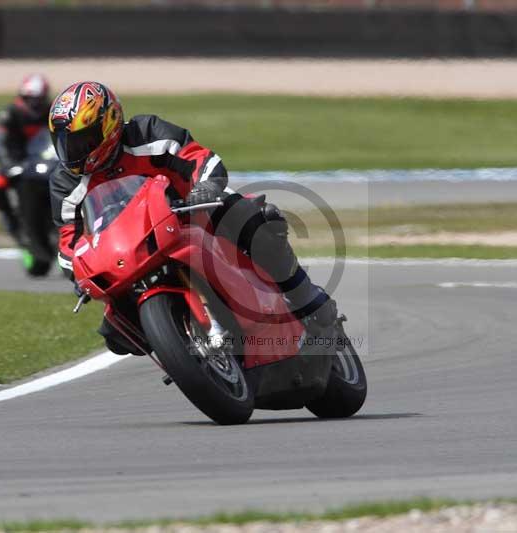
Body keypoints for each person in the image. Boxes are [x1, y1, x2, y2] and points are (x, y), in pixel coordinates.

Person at [47, 81, 337, 355]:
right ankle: (183, 349)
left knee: (257, 220)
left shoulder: (146, 132)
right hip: (126, 250)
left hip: (188, 212)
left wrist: (205, 188)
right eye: (65, 143)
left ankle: (305, 296)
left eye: (82, 141)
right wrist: (78, 271)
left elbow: (200, 158)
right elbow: (67, 242)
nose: (73, 153)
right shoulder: (65, 182)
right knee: (117, 334)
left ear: (109, 124)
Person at [0, 74, 51, 242]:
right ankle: (10, 218)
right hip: (17, 162)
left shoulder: (52, 112)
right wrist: (10, 166)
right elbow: (1, 145)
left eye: (39, 99)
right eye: (30, 99)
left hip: (47, 162)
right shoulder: (10, 115)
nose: (35, 104)